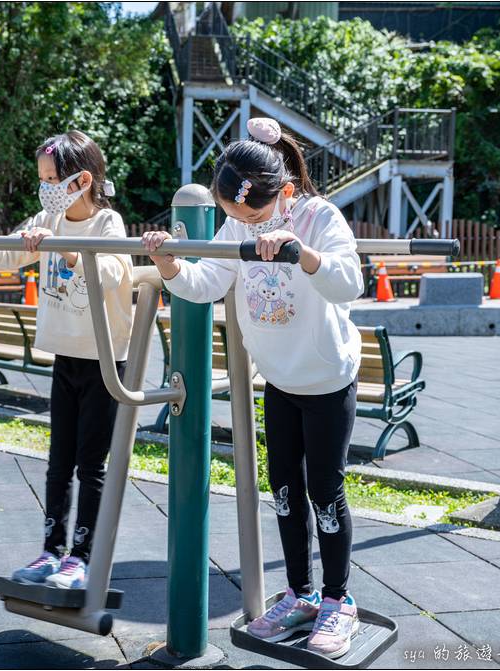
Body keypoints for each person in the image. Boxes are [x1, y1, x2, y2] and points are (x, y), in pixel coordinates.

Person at [142, 117, 365, 658]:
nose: (243, 225)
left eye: (254, 215)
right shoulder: (239, 225)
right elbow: (206, 283)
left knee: (324, 490)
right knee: (284, 489)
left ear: (285, 193)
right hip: (280, 379)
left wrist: (300, 251)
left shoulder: (317, 217)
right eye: (233, 217)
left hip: (327, 378)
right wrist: (167, 262)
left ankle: (339, 602)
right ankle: (300, 594)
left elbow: (349, 283)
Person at [0, 130, 133, 590]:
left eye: (52, 178)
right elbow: (7, 253)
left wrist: (59, 245)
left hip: (104, 360)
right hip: (66, 355)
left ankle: (81, 557)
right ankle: (51, 551)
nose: (45, 187)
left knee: (91, 463)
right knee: (58, 461)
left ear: (81, 180)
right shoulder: (50, 216)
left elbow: (107, 273)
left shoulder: (108, 224)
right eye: (42, 179)